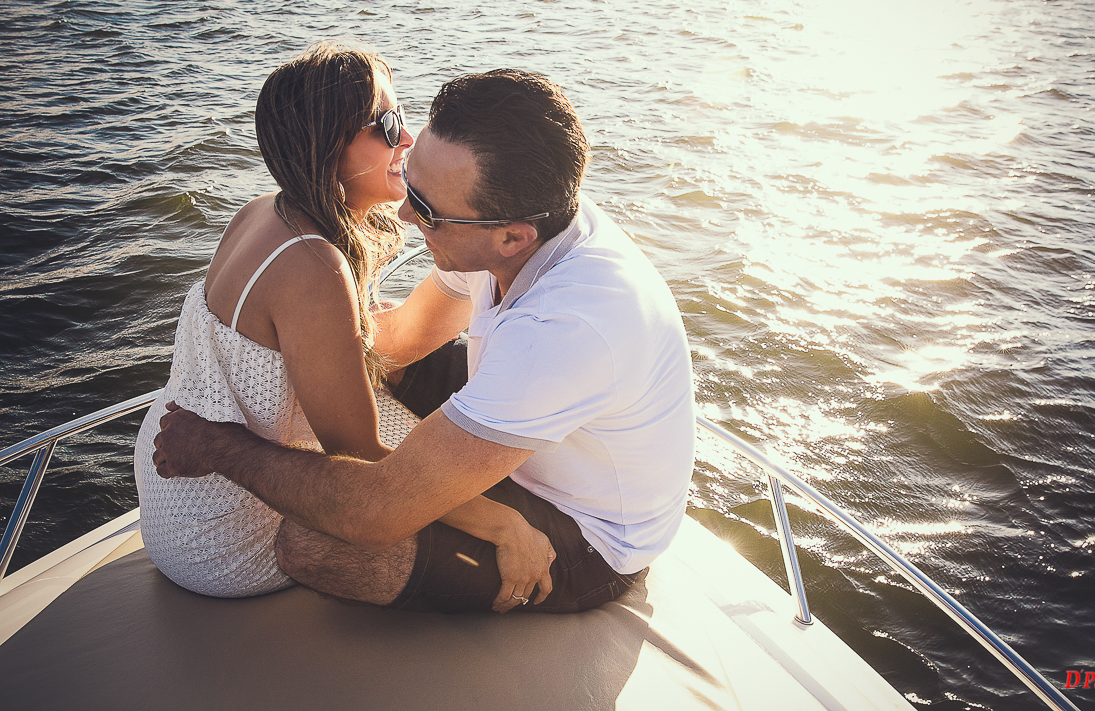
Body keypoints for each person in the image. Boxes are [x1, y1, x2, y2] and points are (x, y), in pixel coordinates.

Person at [152, 69, 696, 614]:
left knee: (313, 543)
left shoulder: (567, 328)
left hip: (587, 532)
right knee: (373, 367)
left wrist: (218, 445)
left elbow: (371, 513)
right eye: (412, 185)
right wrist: (317, 331)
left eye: (429, 212)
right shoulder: (521, 218)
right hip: (537, 431)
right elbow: (404, 338)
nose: (408, 215)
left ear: (512, 237)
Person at [134, 44, 553, 607]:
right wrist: (504, 526)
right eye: (387, 125)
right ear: (329, 146)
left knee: (450, 445)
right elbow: (365, 466)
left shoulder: (262, 210)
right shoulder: (314, 266)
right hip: (227, 530)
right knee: (473, 474)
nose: (408, 140)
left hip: (170, 484)